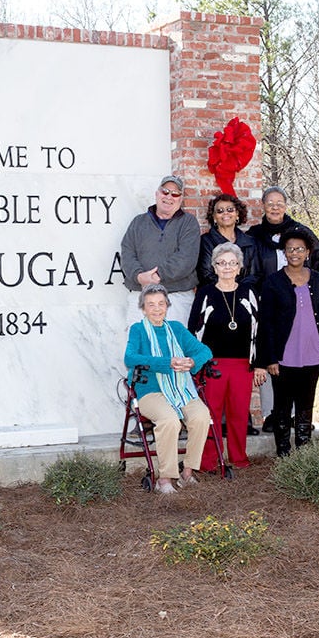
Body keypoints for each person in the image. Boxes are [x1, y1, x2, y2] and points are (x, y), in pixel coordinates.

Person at [256, 229, 319, 455]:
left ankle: (304, 452)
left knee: (305, 404)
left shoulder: (317, 280)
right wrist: (269, 357)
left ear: (308, 252)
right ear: (284, 252)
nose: (295, 253)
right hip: (283, 354)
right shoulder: (273, 282)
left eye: (300, 249)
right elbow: (266, 323)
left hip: (312, 350)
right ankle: (283, 452)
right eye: (290, 249)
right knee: (282, 406)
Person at [125, 285, 212, 494]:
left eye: (161, 304)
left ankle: (188, 471)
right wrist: (166, 363)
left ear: (167, 306)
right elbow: (130, 358)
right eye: (151, 305)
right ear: (143, 309)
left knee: (201, 415)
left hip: (180, 388)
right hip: (149, 391)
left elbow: (205, 351)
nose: (156, 309)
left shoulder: (176, 329)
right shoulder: (138, 330)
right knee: (169, 420)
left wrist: (192, 362)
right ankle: (164, 478)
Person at [188, 243, 266, 470]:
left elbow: (259, 330)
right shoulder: (205, 293)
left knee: (239, 413)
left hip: (243, 365)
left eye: (233, 263)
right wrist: (198, 363)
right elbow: (193, 330)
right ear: (214, 266)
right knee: (211, 413)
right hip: (213, 365)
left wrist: (259, 363)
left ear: (240, 267)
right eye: (222, 263)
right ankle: (210, 461)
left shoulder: (249, 293)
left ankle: (239, 458)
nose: (228, 267)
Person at [119, 175, 201, 325]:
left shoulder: (188, 223)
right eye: (165, 191)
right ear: (157, 194)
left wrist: (156, 276)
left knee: (174, 346)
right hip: (141, 296)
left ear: (180, 199)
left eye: (175, 194)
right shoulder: (138, 222)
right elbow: (127, 253)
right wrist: (139, 277)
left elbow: (186, 258)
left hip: (176, 298)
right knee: (140, 346)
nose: (169, 197)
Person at [247, 186, 319, 278]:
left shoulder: (301, 232)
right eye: (270, 204)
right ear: (263, 206)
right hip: (266, 291)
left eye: (280, 204)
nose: (275, 207)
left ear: (285, 206)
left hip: (298, 290)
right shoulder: (254, 235)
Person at [196, 193, 261, 288]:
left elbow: (255, 275)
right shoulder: (205, 241)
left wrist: (238, 290)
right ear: (214, 217)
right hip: (214, 295)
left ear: (237, 214)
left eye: (230, 209)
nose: (225, 213)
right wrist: (229, 289)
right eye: (220, 211)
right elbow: (206, 274)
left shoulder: (250, 242)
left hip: (243, 295)